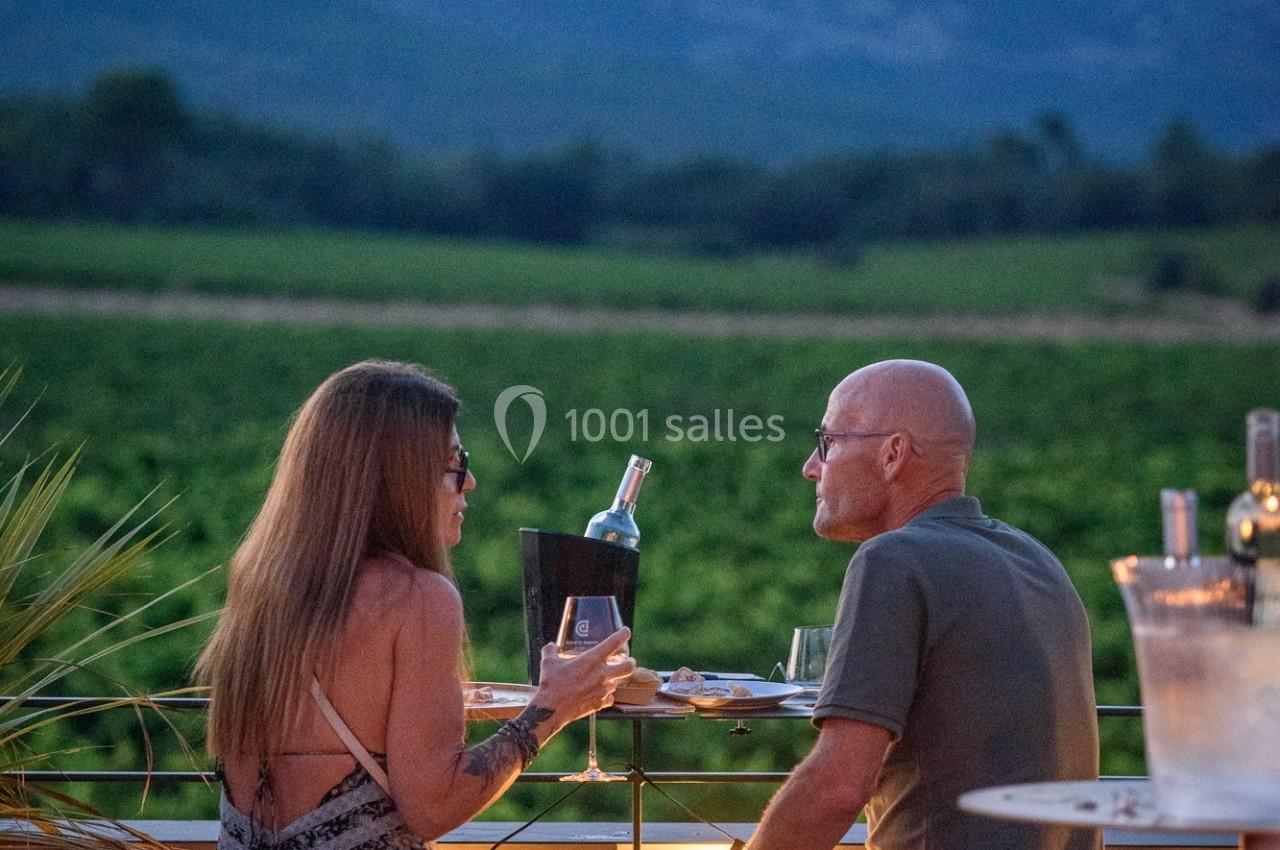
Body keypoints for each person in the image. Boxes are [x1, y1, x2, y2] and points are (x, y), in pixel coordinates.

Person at [196, 360, 634, 850]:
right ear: (397, 478)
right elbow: (434, 806)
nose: (469, 483)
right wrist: (553, 707)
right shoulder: (416, 598)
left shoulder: (261, 585)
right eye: (454, 464)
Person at [747, 360, 1099, 850]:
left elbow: (836, 788)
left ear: (892, 455)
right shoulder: (1039, 560)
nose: (811, 467)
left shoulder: (894, 560)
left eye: (827, 443)